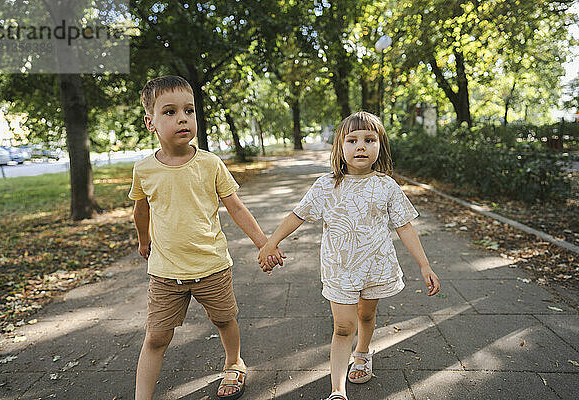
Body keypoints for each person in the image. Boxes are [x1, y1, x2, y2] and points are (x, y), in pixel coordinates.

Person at [258, 111, 440, 400]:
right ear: (340, 148)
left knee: (366, 315)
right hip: (339, 268)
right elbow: (297, 215)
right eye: (352, 140)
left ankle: (363, 352)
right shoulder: (326, 186)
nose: (361, 146)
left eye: (369, 139)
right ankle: (337, 390)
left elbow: (405, 227)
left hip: (374, 268)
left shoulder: (386, 186)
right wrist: (271, 242)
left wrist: (425, 265)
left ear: (380, 146)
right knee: (343, 326)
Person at [129, 75, 283, 400]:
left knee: (225, 320)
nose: (182, 118)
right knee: (156, 337)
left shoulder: (210, 164)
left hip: (211, 266)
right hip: (165, 273)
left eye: (189, 110)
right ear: (150, 122)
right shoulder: (144, 170)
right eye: (169, 112)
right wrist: (143, 241)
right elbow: (140, 211)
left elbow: (237, 209)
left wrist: (264, 243)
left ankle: (234, 362)